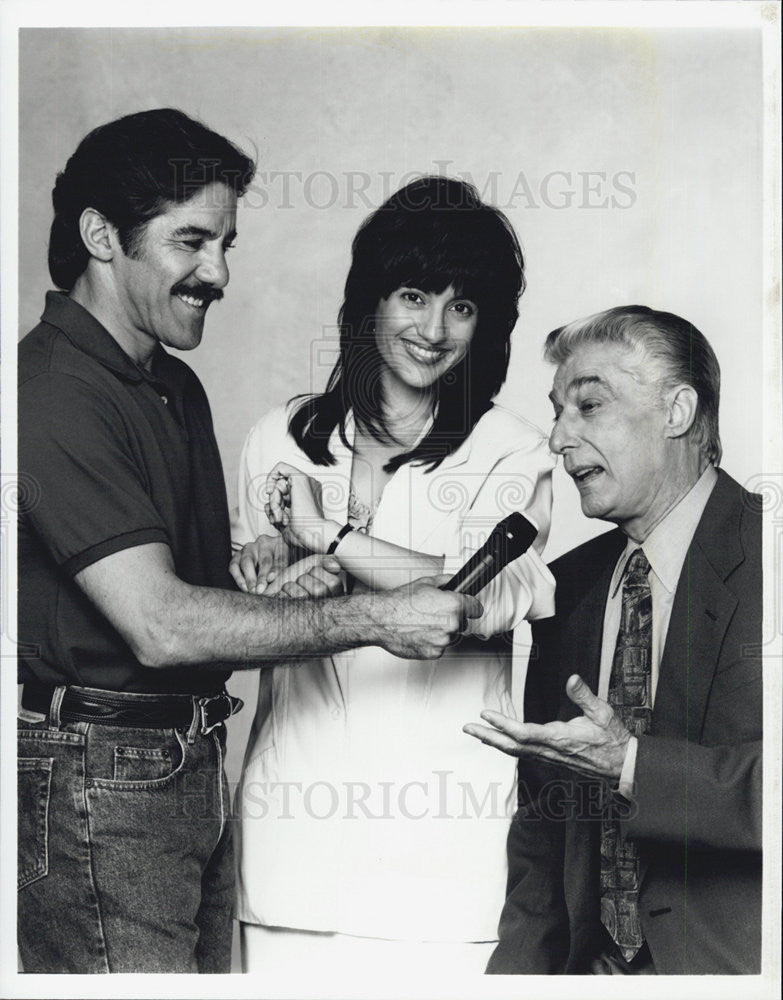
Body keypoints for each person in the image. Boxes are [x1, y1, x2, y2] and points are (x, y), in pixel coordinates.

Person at [17, 111, 480, 975]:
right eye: (191, 240)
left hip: (186, 765)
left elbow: (195, 607)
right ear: (99, 236)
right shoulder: (46, 392)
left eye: (227, 243)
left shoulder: (173, 387)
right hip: (97, 782)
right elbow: (163, 627)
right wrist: (375, 618)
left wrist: (271, 583)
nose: (218, 272)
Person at [231, 176, 556, 976]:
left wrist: (331, 537)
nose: (433, 329)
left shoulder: (509, 450)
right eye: (413, 295)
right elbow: (242, 616)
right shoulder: (278, 438)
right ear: (370, 301)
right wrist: (266, 575)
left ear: (486, 325)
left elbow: (466, 599)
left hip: (444, 870)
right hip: (290, 855)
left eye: (462, 306)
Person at [464, 306, 762, 975]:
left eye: (588, 405)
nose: (558, 438)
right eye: (556, 411)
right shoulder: (564, 588)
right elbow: (541, 845)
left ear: (677, 410)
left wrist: (632, 767)